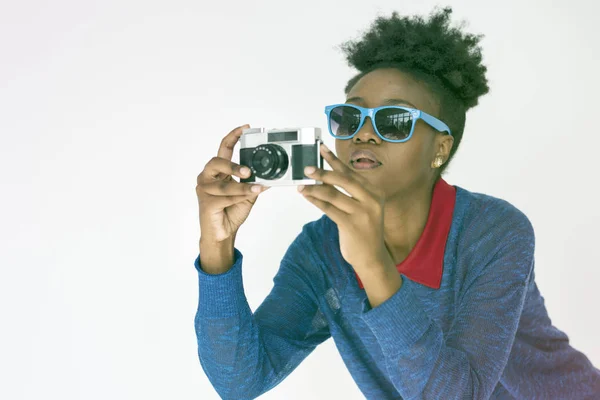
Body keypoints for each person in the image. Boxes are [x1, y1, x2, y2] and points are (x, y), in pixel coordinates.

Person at [194, 6, 600, 399]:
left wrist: (372, 264)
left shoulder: (493, 232)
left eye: (394, 122)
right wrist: (217, 248)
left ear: (440, 148)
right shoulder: (319, 250)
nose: (364, 134)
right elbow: (240, 382)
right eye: (350, 119)